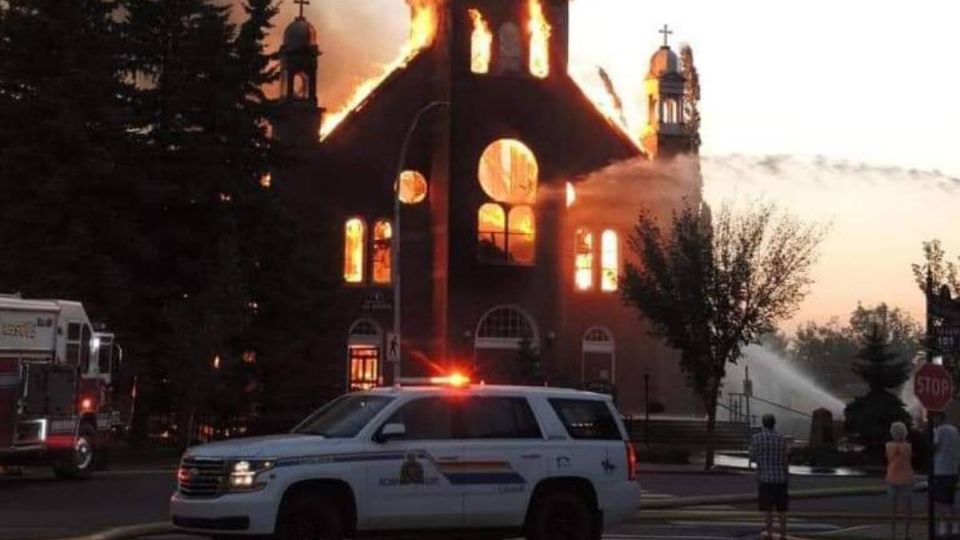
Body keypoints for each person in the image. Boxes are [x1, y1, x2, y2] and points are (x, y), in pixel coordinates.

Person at [750, 414, 789, 540]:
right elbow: (785, 460)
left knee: (768, 509)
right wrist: (786, 476)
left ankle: (769, 534)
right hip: (780, 478)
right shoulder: (781, 438)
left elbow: (753, 457)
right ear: (774, 424)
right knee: (782, 509)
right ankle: (783, 535)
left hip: (765, 478)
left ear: (763, 423)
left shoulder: (757, 438)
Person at [932, 412, 960, 538]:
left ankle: (944, 525)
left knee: (941, 501)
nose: (933, 421)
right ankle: (954, 525)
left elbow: (935, 446)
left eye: (934, 418)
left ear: (939, 418)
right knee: (950, 500)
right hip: (953, 469)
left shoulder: (940, 430)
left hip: (941, 469)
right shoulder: (954, 430)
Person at [886, 421, 914, 539]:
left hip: (892, 477)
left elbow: (890, 458)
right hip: (906, 477)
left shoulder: (888, 446)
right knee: (906, 508)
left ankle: (893, 534)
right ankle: (906, 534)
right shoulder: (908, 446)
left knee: (893, 508)